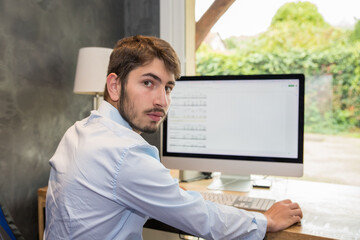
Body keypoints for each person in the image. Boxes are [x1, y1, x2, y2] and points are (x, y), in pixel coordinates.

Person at [44, 35, 302, 240]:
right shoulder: (126, 153)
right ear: (114, 86)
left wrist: (165, 190)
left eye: (168, 87)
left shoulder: (79, 131)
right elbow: (203, 219)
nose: (162, 101)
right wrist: (266, 220)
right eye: (148, 83)